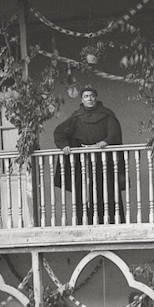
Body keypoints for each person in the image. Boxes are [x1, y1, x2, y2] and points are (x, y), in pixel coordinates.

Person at [52, 86, 125, 222]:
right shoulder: (76, 116)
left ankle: (109, 221)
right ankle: (85, 221)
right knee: (83, 191)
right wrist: (64, 146)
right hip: (83, 162)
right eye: (86, 96)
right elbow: (60, 132)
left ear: (96, 98)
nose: (89, 99)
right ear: (82, 99)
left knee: (106, 190)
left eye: (91, 96)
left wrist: (106, 141)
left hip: (103, 160)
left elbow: (114, 133)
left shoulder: (107, 114)